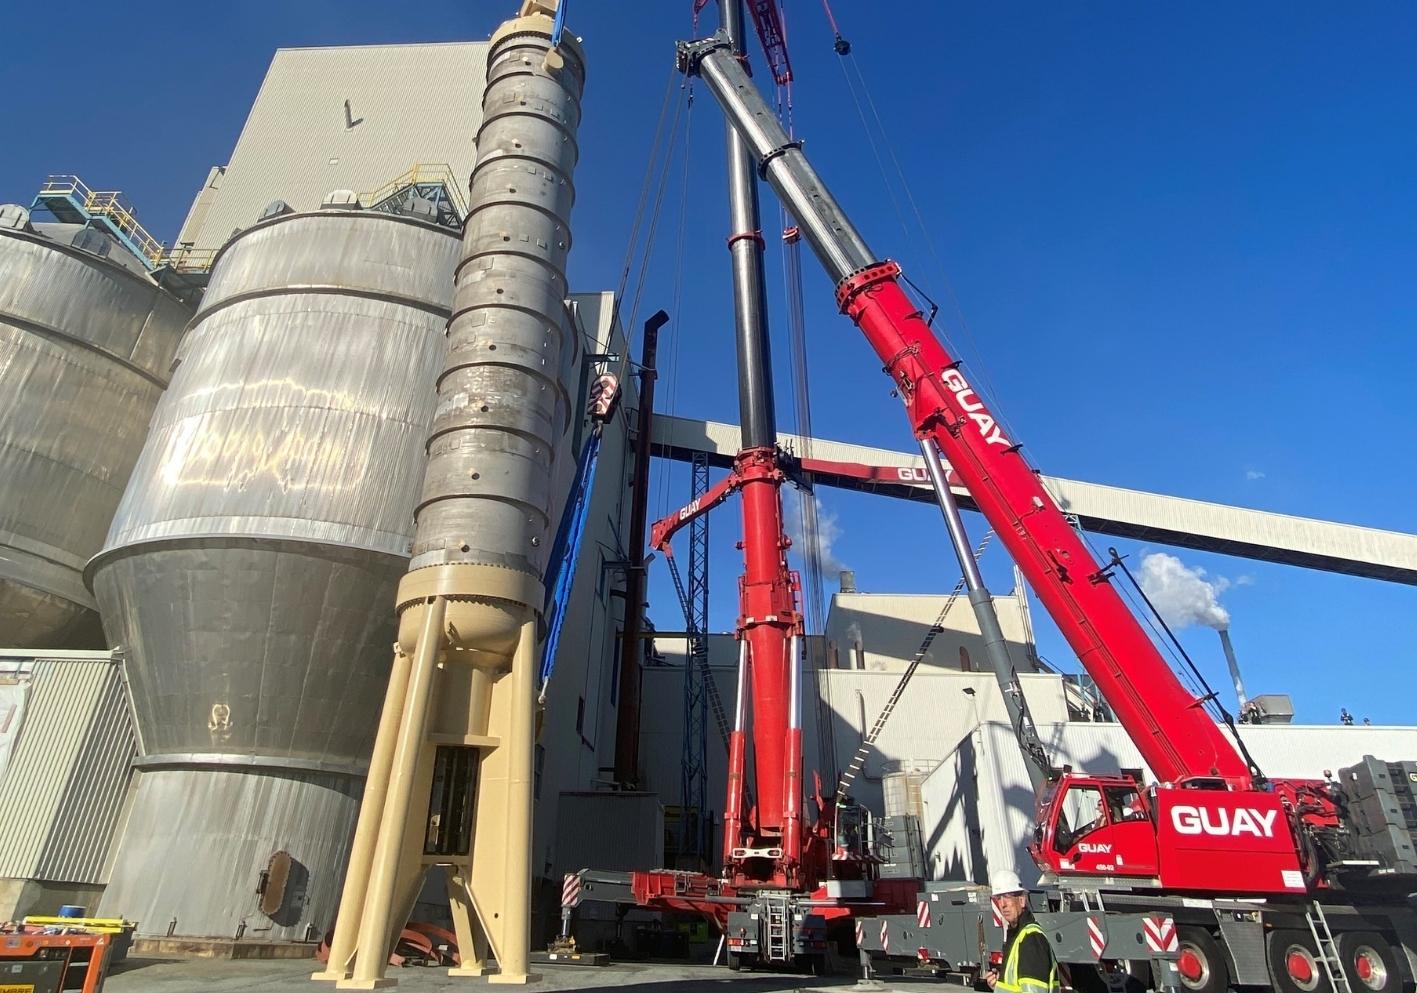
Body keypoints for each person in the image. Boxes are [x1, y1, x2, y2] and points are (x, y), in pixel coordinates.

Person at [985, 869, 1059, 993]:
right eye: (999, 898)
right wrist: (999, 986)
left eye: (1007, 896)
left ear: (1022, 900)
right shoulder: (1016, 936)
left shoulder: (1030, 939)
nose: (1002, 904)